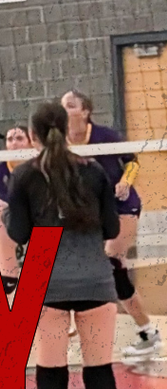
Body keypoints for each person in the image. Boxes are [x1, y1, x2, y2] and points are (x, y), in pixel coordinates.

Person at [6, 101, 148, 389]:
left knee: (51, 378)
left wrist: (9, 219)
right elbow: (111, 228)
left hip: (46, 281)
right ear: (68, 130)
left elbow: (19, 233)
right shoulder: (94, 171)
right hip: (94, 279)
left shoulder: (25, 176)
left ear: (32, 135)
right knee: (99, 372)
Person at [61, 90, 161, 360]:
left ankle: (148, 334)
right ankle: (142, 331)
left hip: (122, 205)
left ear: (85, 111)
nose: (65, 110)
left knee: (112, 264)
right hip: (90, 211)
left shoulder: (105, 135)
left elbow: (132, 162)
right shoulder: (60, 142)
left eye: (70, 105)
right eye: (62, 106)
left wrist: (126, 181)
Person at [0, 125, 32, 294]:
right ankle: (8, 273)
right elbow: (2, 199)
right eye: (10, 139)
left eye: (19, 138)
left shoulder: (39, 165)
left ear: (31, 142)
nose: (14, 143)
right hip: (10, 213)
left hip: (35, 211)